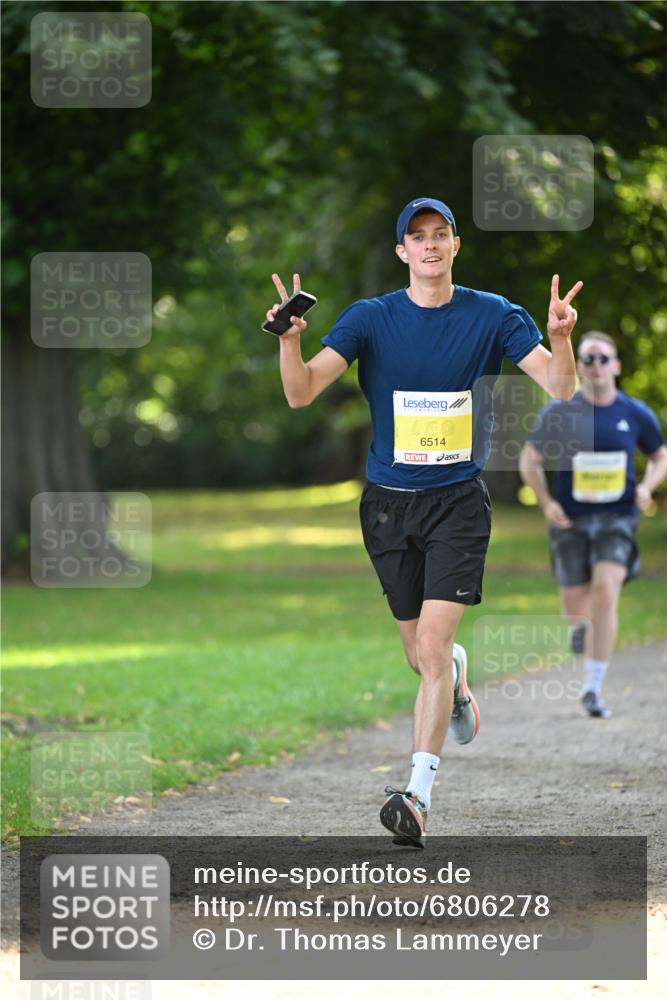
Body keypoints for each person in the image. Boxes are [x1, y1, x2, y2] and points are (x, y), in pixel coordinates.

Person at [267, 196, 582, 847]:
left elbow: (560, 389)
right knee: (422, 658)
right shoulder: (369, 318)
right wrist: (290, 343)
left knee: (433, 648)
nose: (430, 245)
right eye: (418, 236)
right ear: (402, 251)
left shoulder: (495, 314)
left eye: (441, 234)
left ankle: (416, 795)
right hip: (387, 506)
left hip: (457, 503)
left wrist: (560, 341)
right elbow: (300, 393)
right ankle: (457, 684)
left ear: (455, 245)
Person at [519, 331, 666, 718]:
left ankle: (593, 687)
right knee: (576, 606)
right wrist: (546, 502)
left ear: (616, 365)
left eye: (602, 358)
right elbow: (529, 460)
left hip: (617, 519)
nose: (595, 365)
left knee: (605, 591)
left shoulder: (635, 413)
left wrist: (646, 488)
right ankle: (579, 631)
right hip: (570, 521)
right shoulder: (560, 411)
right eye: (587, 359)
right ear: (579, 366)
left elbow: (660, 456)